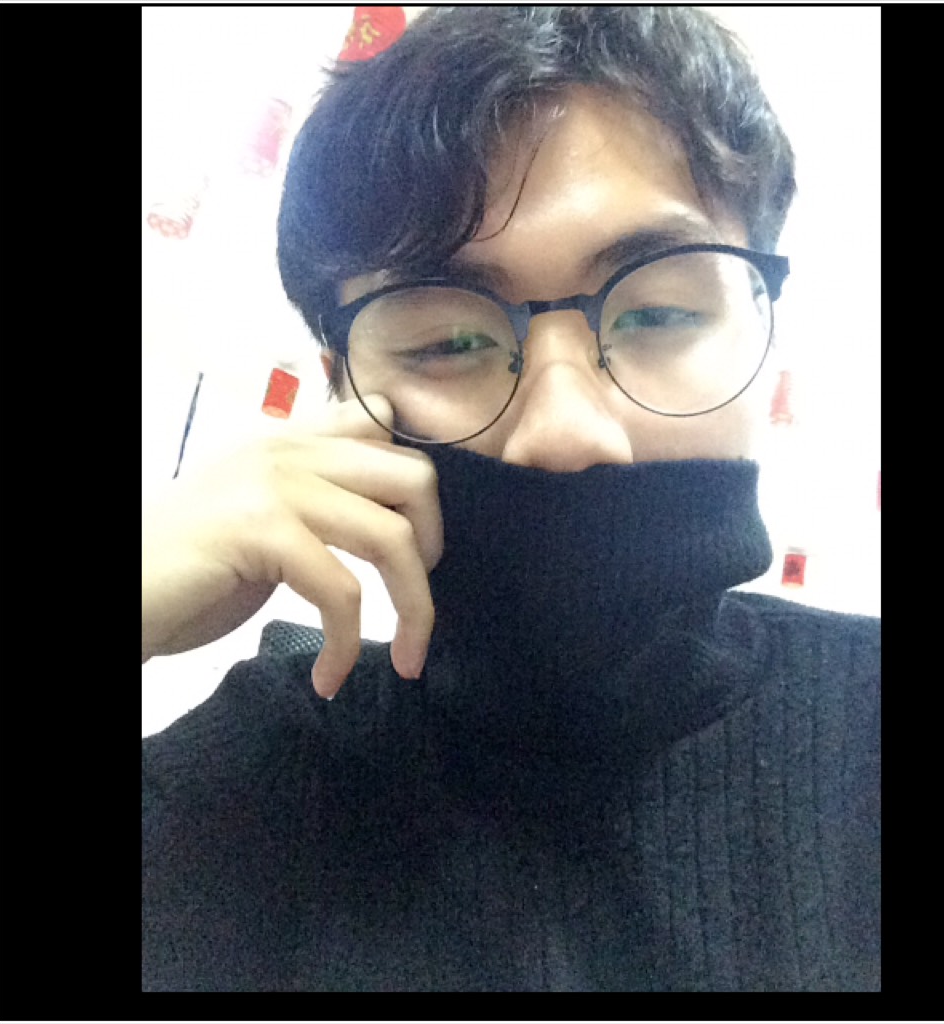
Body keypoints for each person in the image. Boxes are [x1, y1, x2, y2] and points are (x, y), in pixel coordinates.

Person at [142, 6, 880, 992]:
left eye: (659, 312)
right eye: (448, 341)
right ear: (341, 393)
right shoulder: (242, 785)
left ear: (761, 332)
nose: (567, 431)